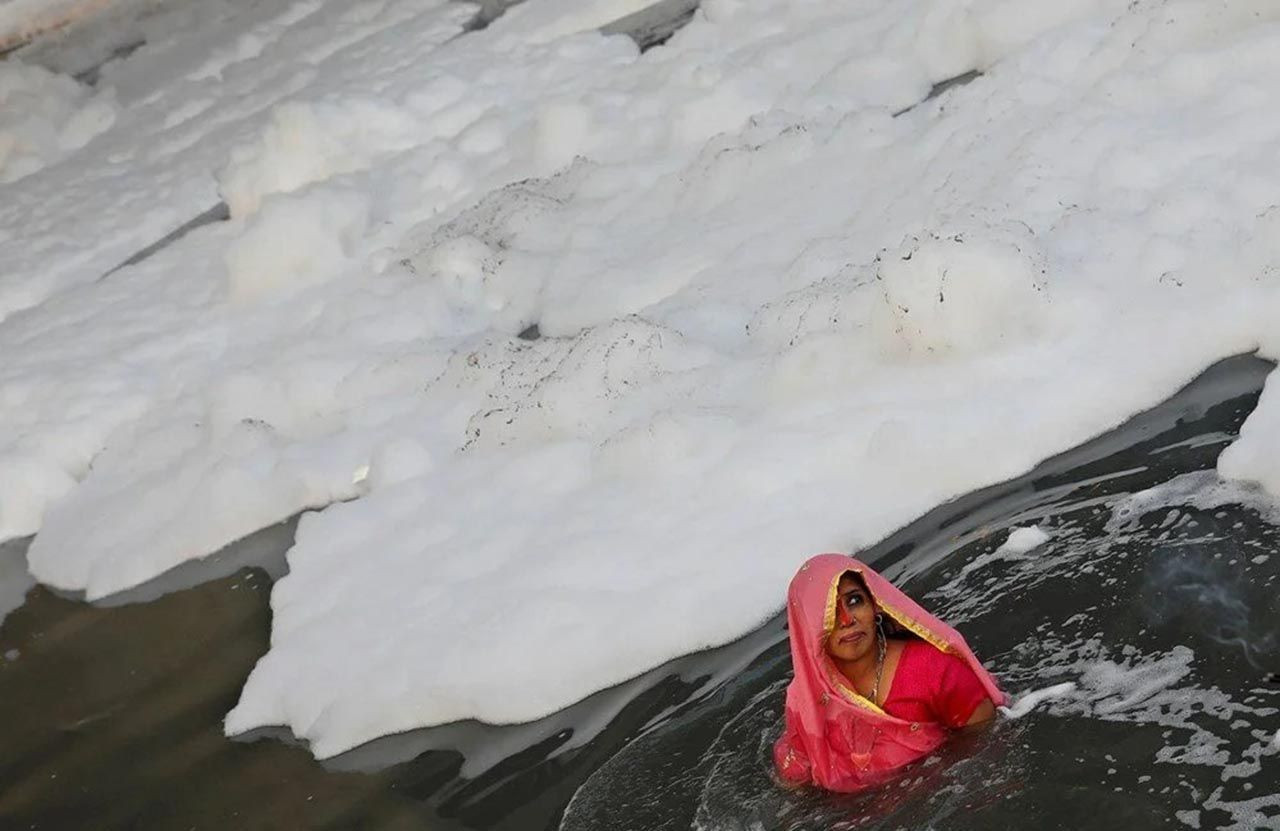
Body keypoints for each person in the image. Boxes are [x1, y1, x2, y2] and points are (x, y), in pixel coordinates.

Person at [773, 553, 1005, 792]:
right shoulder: (806, 701)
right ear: (807, 628)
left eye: (854, 601)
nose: (846, 619)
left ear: (875, 605)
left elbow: (988, 746)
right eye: (828, 610)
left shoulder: (936, 670)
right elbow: (797, 784)